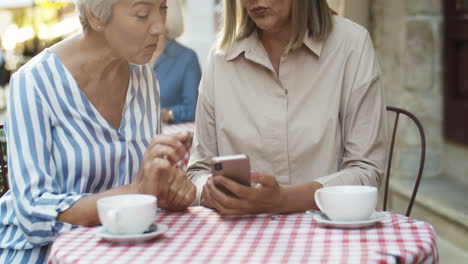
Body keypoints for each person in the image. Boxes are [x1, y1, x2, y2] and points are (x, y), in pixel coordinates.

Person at [0, 0, 196, 262]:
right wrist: (137, 191)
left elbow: (145, 185)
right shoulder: (34, 82)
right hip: (44, 255)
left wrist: (166, 190)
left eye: (163, 8)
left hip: (120, 249)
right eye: (142, 14)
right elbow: (33, 215)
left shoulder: (144, 77)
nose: (160, 27)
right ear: (95, 16)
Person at [188, 0, 388, 215]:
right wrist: (210, 192)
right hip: (242, 236)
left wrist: (284, 200)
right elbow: (198, 172)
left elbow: (366, 171)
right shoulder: (220, 58)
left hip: (330, 235)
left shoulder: (351, 45)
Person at [151, 0, 201, 124]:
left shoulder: (187, 58)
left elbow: (193, 109)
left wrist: (165, 114)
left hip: (170, 136)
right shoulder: (130, 56)